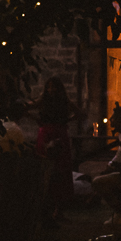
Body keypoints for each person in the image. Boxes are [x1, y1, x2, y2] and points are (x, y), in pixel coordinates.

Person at [34, 76, 78, 226]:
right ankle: (46, 209)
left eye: (54, 87)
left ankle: (58, 210)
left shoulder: (64, 102)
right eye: (49, 87)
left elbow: (80, 113)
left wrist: (67, 121)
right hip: (47, 135)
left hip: (57, 134)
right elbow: (27, 108)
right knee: (47, 170)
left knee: (61, 171)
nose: (51, 90)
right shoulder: (43, 100)